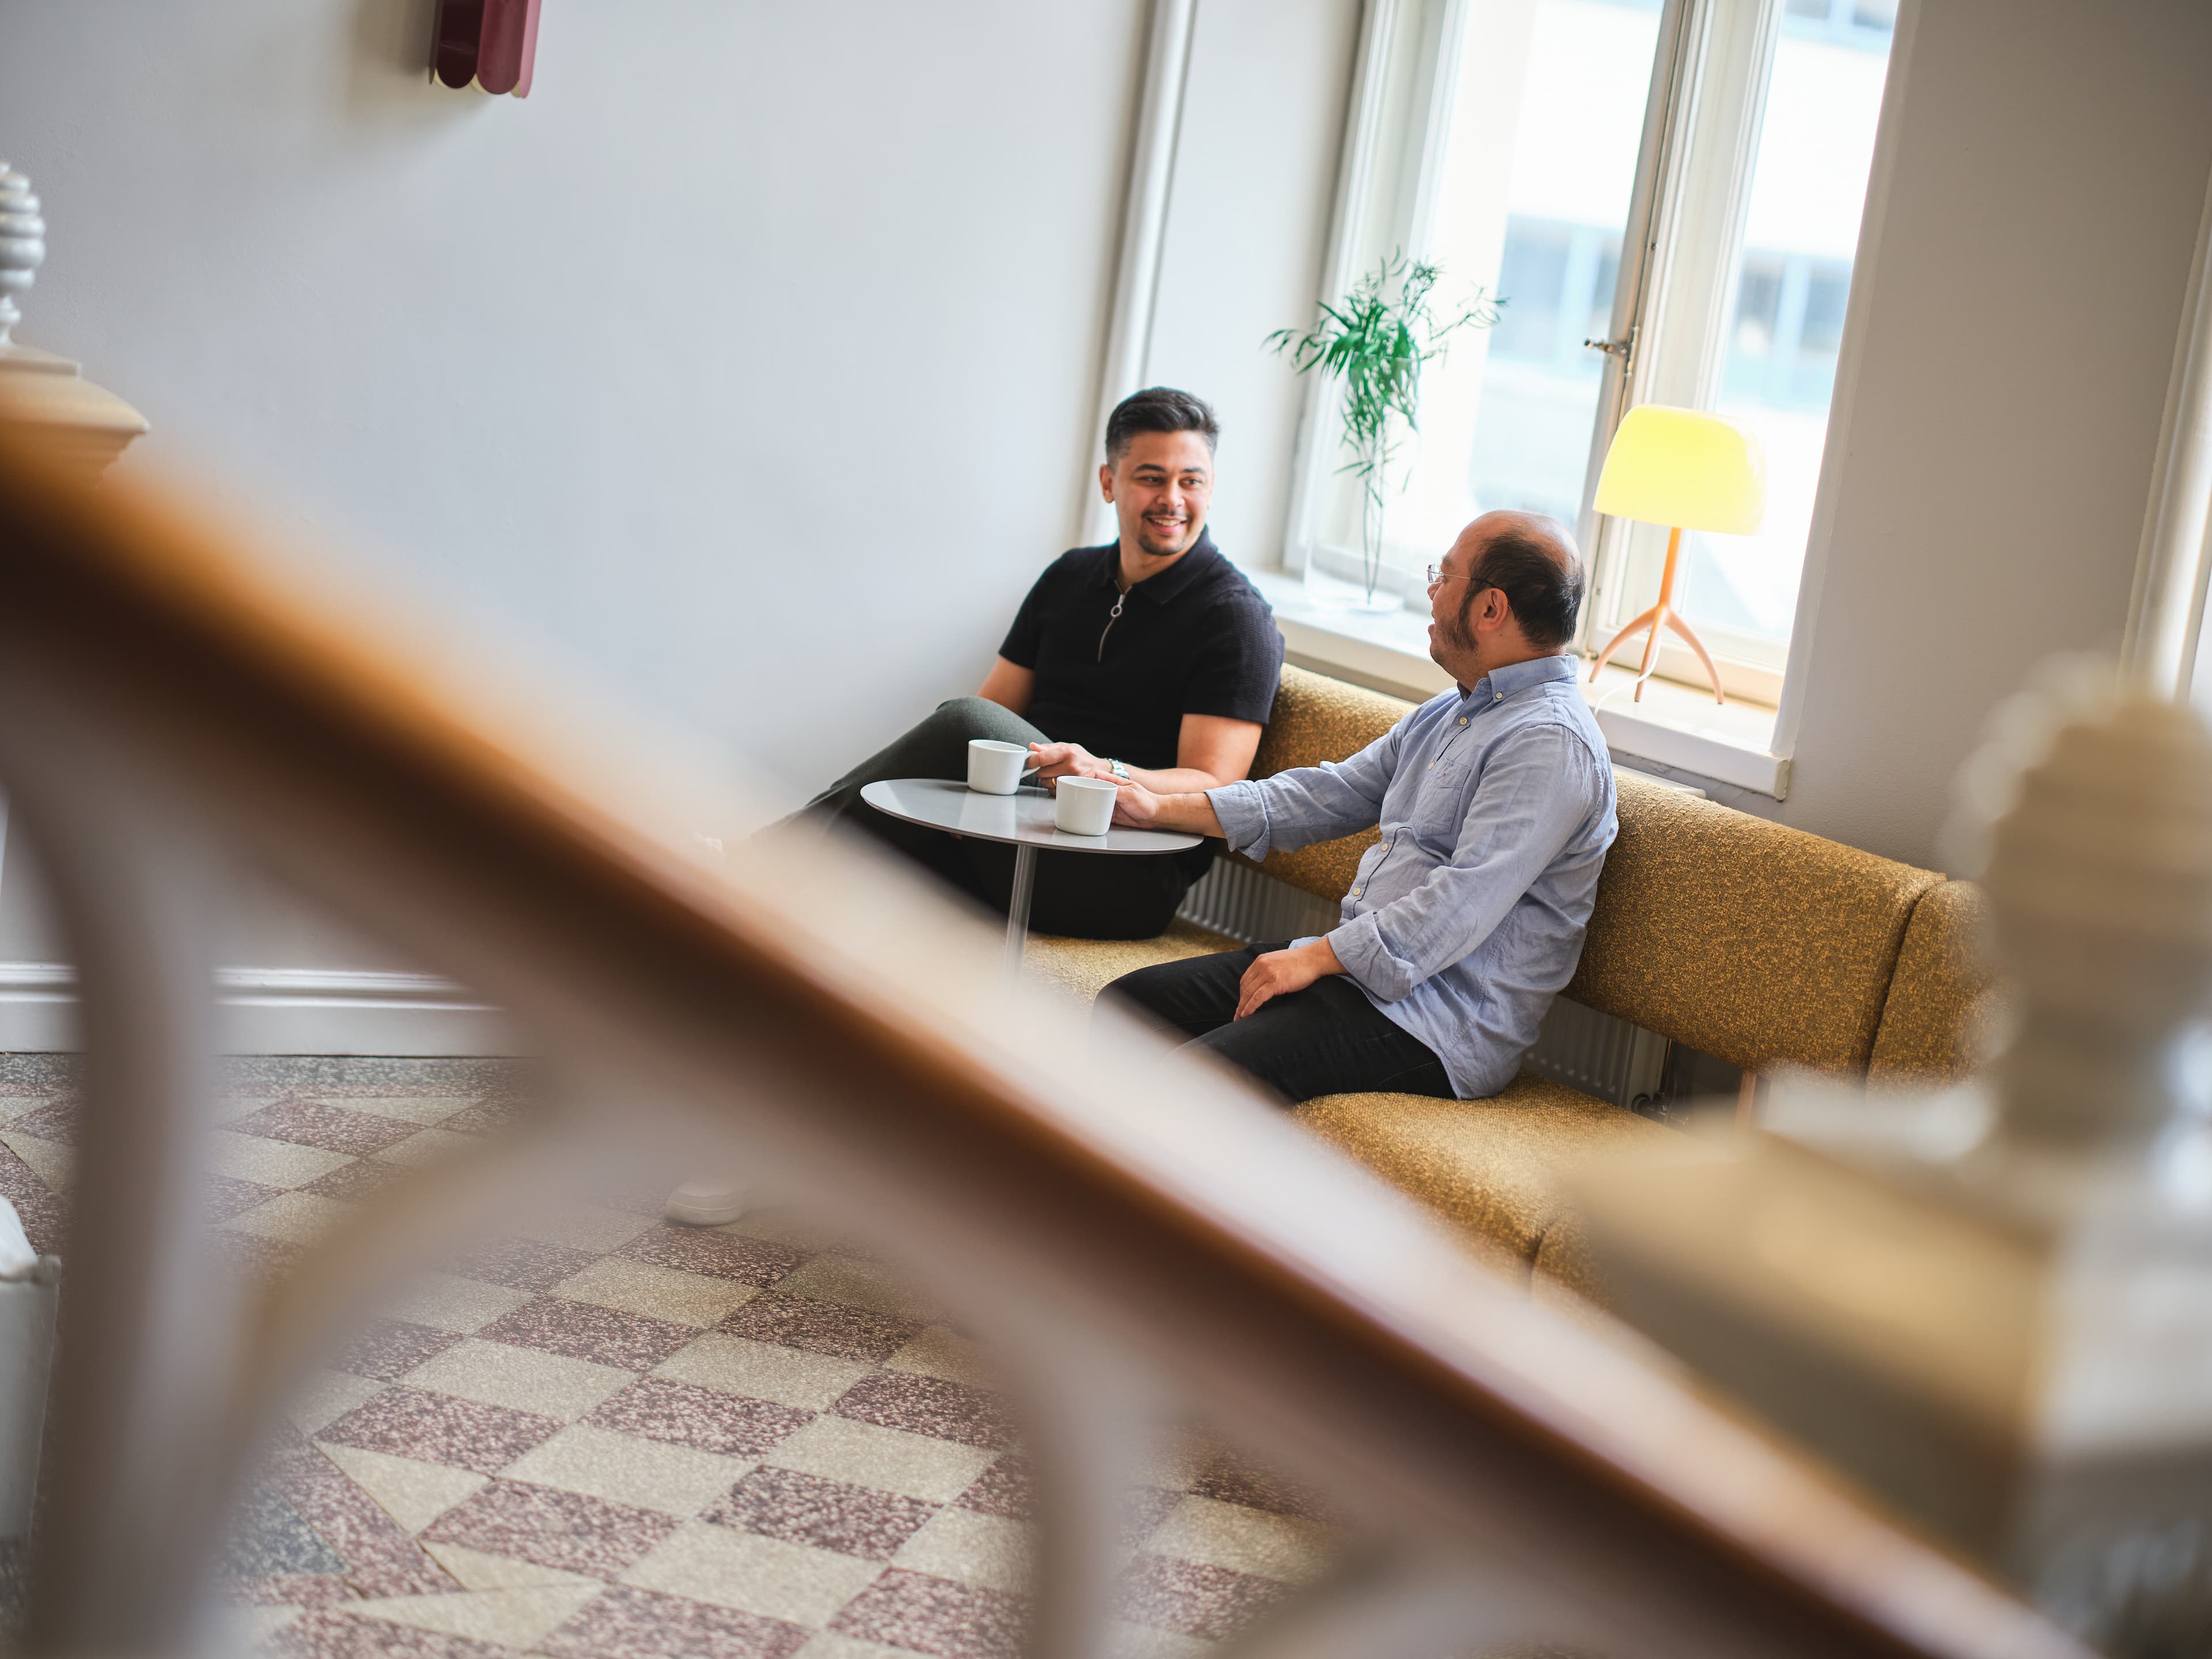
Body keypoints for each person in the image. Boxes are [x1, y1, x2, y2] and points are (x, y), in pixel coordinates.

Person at [1099, 511, 1616, 1105]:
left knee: (1192, 1081)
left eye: (1444, 575)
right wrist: (1156, 807)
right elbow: (1326, 794)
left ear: (1491, 608)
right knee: (1126, 1008)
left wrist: (1316, 957)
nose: (1431, 589)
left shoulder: (1549, 742)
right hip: (1354, 977)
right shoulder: (1453, 712)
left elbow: (1460, 904)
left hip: (1434, 1024)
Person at [791, 386, 1283, 941]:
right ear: (1108, 482)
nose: (1172, 498)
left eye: (1191, 481)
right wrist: (964, 796)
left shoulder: (1236, 620)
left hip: (1121, 870)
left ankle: (757, 858)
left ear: (1211, 489)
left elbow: (1214, 786)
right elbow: (993, 716)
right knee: (853, 872)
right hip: (1014, 832)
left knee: (962, 723)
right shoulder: (1069, 577)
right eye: (1151, 477)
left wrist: (1102, 770)